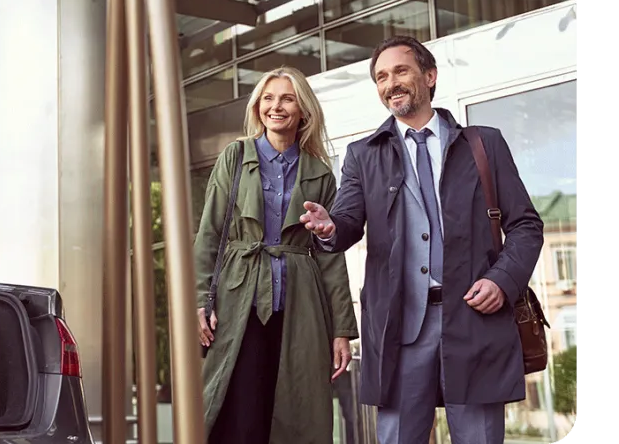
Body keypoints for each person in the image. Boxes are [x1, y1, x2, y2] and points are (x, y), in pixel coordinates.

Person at [299, 36, 544, 444]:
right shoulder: (363, 154)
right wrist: (328, 228)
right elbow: (346, 223)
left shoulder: (484, 144)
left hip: (475, 319)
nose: (390, 83)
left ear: (429, 77)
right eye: (380, 76)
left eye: (400, 71)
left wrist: (503, 280)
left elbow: (526, 225)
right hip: (400, 326)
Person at [194, 66, 358, 444]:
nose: (276, 106)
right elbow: (209, 234)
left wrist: (342, 331)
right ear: (257, 108)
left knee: (295, 412)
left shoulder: (320, 172)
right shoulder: (235, 156)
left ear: (303, 109)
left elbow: (330, 256)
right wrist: (199, 301)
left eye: (286, 98)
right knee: (241, 411)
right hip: (240, 300)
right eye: (268, 98)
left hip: (300, 304)